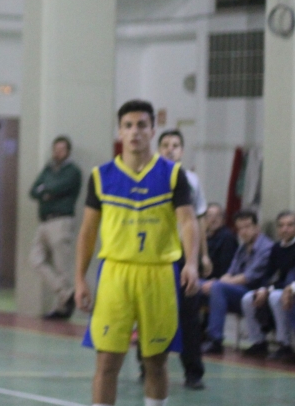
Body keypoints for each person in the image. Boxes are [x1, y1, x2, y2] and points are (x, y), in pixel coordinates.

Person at [74, 99, 198, 406]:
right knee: (107, 362)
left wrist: (192, 263)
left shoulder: (173, 174)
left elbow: (187, 221)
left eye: (142, 125)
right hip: (115, 274)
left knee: (155, 361)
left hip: (158, 273)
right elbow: (88, 231)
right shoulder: (101, 176)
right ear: (119, 131)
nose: (134, 132)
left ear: (153, 130)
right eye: (128, 126)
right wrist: (79, 278)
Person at [138, 130, 207, 389]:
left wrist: (202, 256)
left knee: (189, 315)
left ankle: (193, 372)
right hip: (155, 256)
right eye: (165, 145)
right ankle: (146, 366)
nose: (170, 149)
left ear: (182, 150)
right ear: (158, 149)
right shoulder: (149, 176)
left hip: (183, 255)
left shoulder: (191, 180)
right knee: (150, 313)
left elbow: (197, 219)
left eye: (176, 145)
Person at [201, 210, 273, 354]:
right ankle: (192, 334)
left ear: (257, 227)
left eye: (247, 227)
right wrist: (218, 281)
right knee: (196, 285)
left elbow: (248, 277)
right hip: (237, 291)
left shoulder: (266, 247)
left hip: (254, 293)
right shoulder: (242, 247)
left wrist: (220, 283)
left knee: (217, 287)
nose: (243, 232)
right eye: (240, 228)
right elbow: (231, 271)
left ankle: (215, 340)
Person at [29, 135, 82, 319]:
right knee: (35, 259)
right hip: (44, 221)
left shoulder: (73, 171)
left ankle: (61, 309)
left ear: (68, 151)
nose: (58, 153)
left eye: (62, 149)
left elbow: (56, 188)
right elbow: (34, 190)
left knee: (62, 267)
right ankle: (66, 294)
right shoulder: (48, 168)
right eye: (56, 149)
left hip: (61, 221)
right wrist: (46, 191)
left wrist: (47, 190)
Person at [240, 210, 295, 358]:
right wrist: (263, 289)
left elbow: (288, 279)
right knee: (248, 298)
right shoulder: (276, 248)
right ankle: (258, 341)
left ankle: (284, 344)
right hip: (276, 288)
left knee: (275, 297)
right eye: (281, 225)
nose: (285, 229)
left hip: (289, 290)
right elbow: (269, 274)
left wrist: (271, 290)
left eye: (290, 225)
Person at [204, 203, 238, 279]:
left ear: (223, 219)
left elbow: (226, 265)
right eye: (209, 216)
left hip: (218, 279)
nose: (213, 220)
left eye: (217, 216)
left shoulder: (227, 237)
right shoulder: (203, 236)